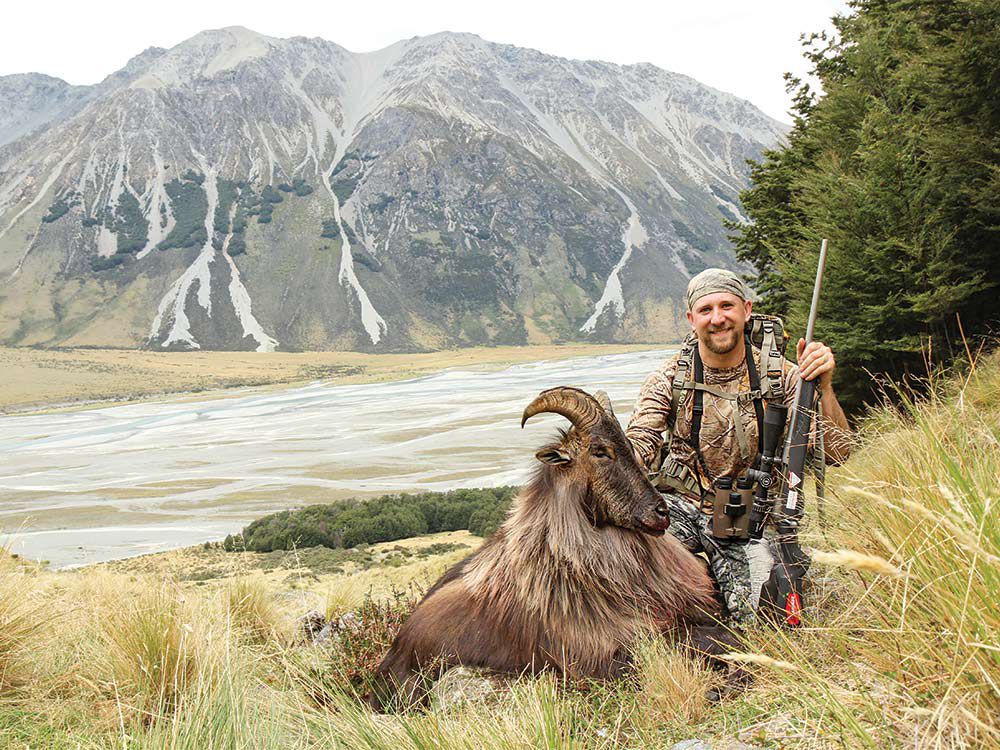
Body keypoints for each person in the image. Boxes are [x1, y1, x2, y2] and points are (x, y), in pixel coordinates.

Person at [626, 268, 852, 623]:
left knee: (765, 619)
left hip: (755, 519)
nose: (718, 319)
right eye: (706, 310)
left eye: (726, 306)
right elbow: (640, 442)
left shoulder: (784, 376)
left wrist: (823, 388)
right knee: (624, 563)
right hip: (684, 508)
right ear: (691, 319)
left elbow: (839, 452)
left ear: (747, 310)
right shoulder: (669, 379)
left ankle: (720, 580)